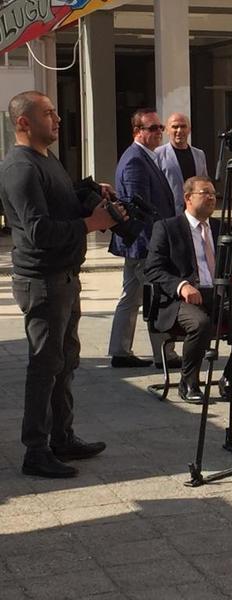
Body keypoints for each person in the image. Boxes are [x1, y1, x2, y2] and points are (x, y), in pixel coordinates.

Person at [0, 90, 121, 478]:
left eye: (55, 113)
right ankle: (35, 451)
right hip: (42, 281)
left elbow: (61, 201)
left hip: (65, 276)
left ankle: (62, 438)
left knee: (65, 361)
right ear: (24, 122)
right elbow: (38, 230)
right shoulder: (20, 168)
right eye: (49, 113)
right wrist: (92, 224)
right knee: (44, 366)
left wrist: (90, 191)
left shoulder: (46, 158)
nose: (57, 120)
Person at [144, 176, 232, 403]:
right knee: (200, 323)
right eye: (205, 193)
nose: (211, 198)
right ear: (188, 198)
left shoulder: (221, 228)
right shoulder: (167, 228)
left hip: (217, 294)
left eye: (213, 194)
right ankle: (188, 382)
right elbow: (152, 269)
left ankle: (229, 378)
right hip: (181, 299)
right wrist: (182, 286)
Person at [108, 108, 178, 370]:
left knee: (132, 297)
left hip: (140, 244)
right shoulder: (135, 160)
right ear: (137, 131)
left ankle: (120, 350)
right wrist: (157, 246)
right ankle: (164, 355)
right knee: (156, 296)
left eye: (160, 127)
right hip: (143, 245)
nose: (159, 132)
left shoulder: (146, 156)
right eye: (153, 128)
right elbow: (139, 209)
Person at [155, 112, 208, 214]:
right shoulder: (158, 154)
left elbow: (204, 183)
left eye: (183, 126)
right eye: (175, 127)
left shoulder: (199, 154)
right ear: (167, 130)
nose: (179, 131)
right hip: (170, 213)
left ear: (189, 129)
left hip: (195, 212)